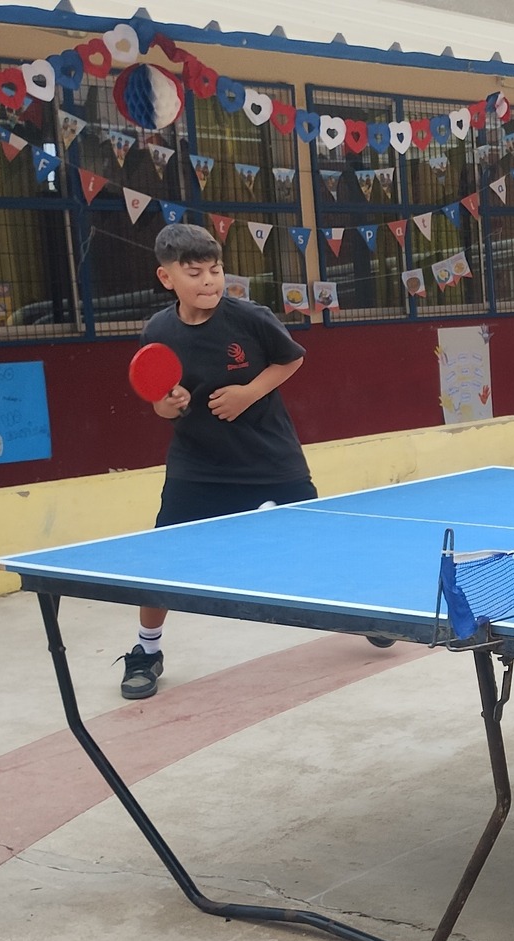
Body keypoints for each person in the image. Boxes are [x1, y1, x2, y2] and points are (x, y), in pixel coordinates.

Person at [123, 223, 322, 699]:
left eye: (216, 270)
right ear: (167, 277)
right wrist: (164, 406)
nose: (210, 281)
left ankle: (370, 614)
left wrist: (248, 393)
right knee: (162, 561)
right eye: (195, 273)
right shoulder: (158, 330)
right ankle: (146, 651)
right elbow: (159, 396)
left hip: (269, 458)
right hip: (198, 465)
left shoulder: (249, 316)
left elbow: (291, 359)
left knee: (322, 544)